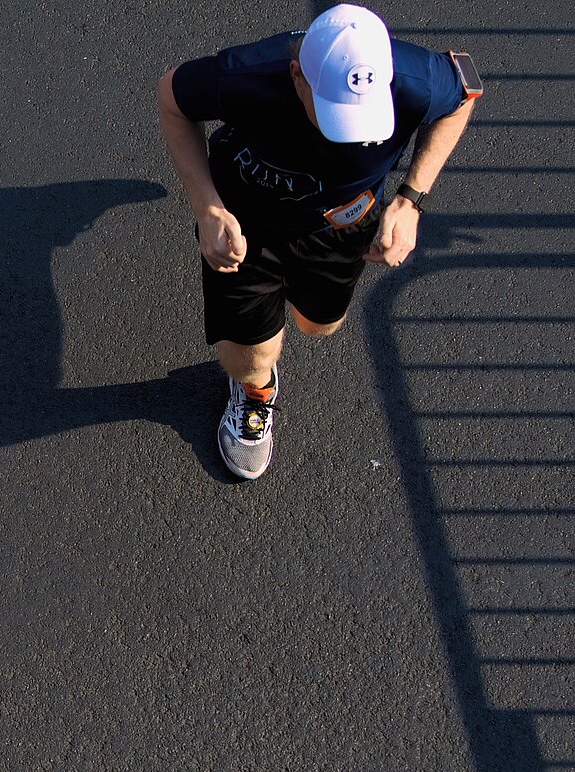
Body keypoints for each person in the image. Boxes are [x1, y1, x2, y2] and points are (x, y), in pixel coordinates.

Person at [157, 3, 478, 479]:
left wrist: (411, 199)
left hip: (341, 227)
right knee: (250, 355)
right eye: (335, 114)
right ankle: (254, 390)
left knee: (317, 325)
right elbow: (171, 99)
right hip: (247, 227)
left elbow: (465, 93)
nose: (349, 138)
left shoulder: (415, 79)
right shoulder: (243, 76)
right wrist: (207, 207)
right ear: (298, 77)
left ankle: (276, 333)